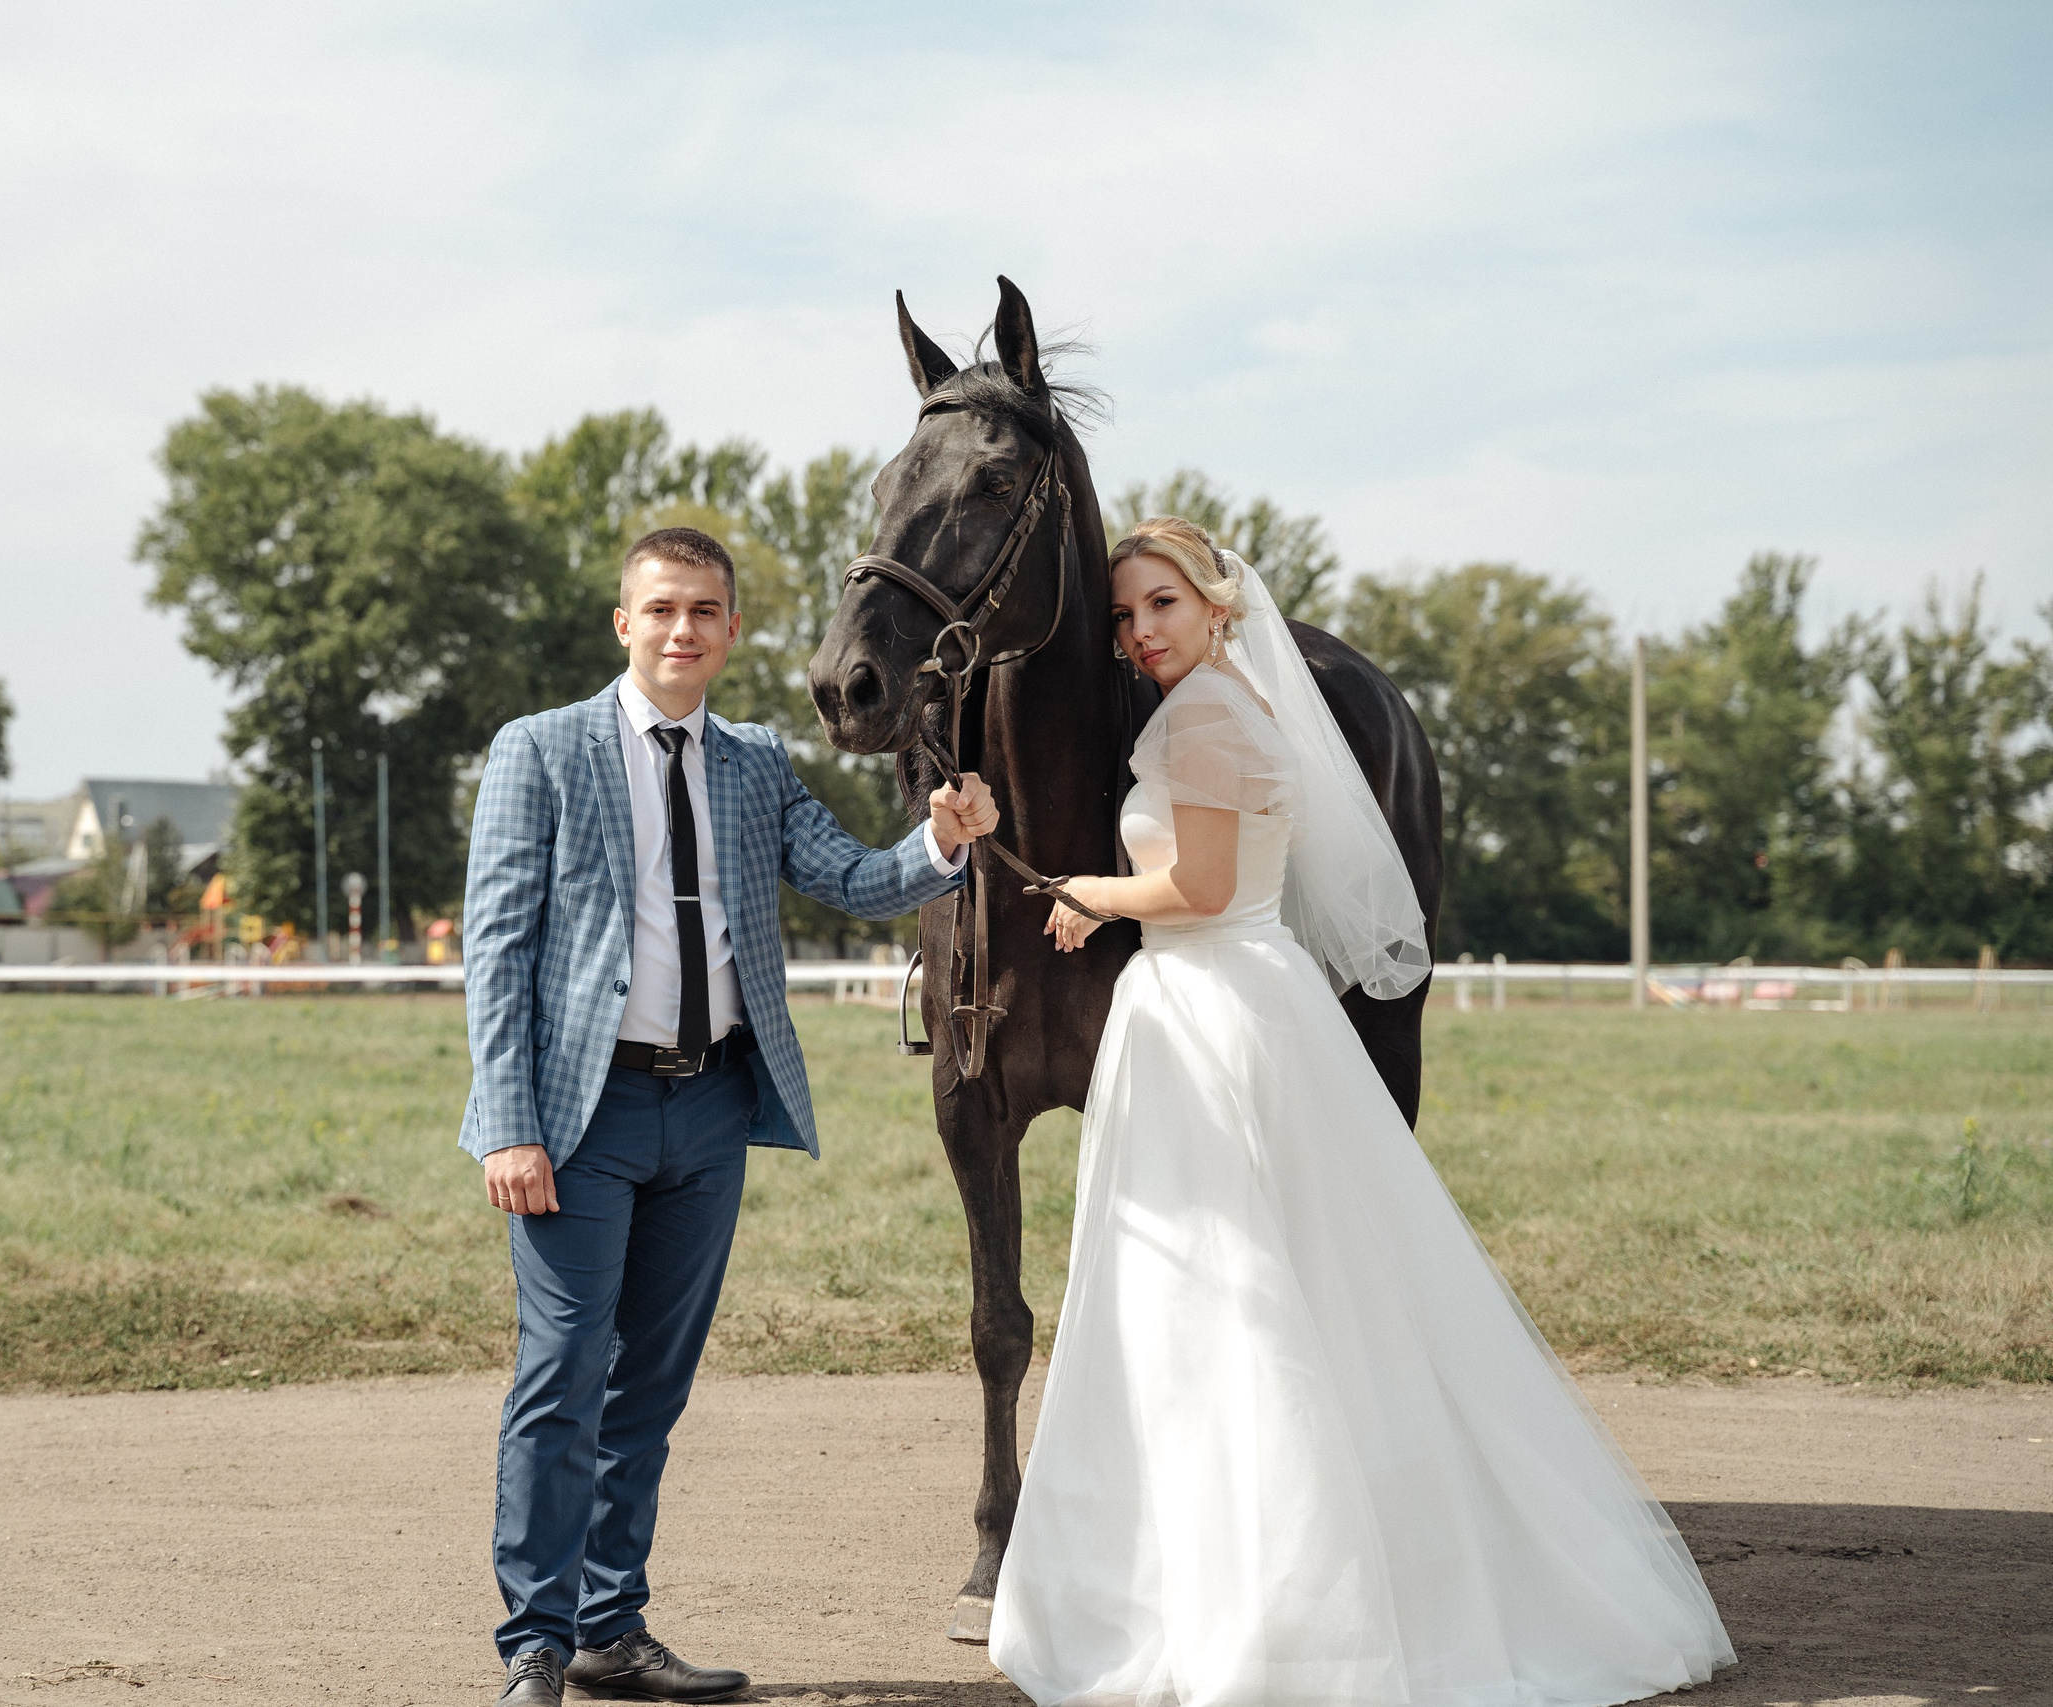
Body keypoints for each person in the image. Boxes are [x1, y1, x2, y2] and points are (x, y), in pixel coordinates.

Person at [987, 517, 1734, 1707]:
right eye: (1125, 616)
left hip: (1211, 1008)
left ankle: (1265, 1600)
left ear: (1218, 604)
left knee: (1218, 1291)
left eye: (1161, 605)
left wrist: (1087, 891)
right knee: (1269, 1283)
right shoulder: (1230, 705)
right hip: (1227, 1000)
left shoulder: (1211, 717)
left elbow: (1202, 888)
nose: (1137, 633)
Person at [461, 526, 999, 1707]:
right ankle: (536, 1646)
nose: (680, 630)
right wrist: (508, 1123)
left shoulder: (753, 764)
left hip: (708, 1110)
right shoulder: (539, 752)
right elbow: (494, 951)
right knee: (560, 1377)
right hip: (577, 1117)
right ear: (624, 623)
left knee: (649, 1387)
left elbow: (851, 881)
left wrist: (939, 842)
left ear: (731, 629)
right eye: (659, 609)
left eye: (703, 610)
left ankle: (611, 1628)